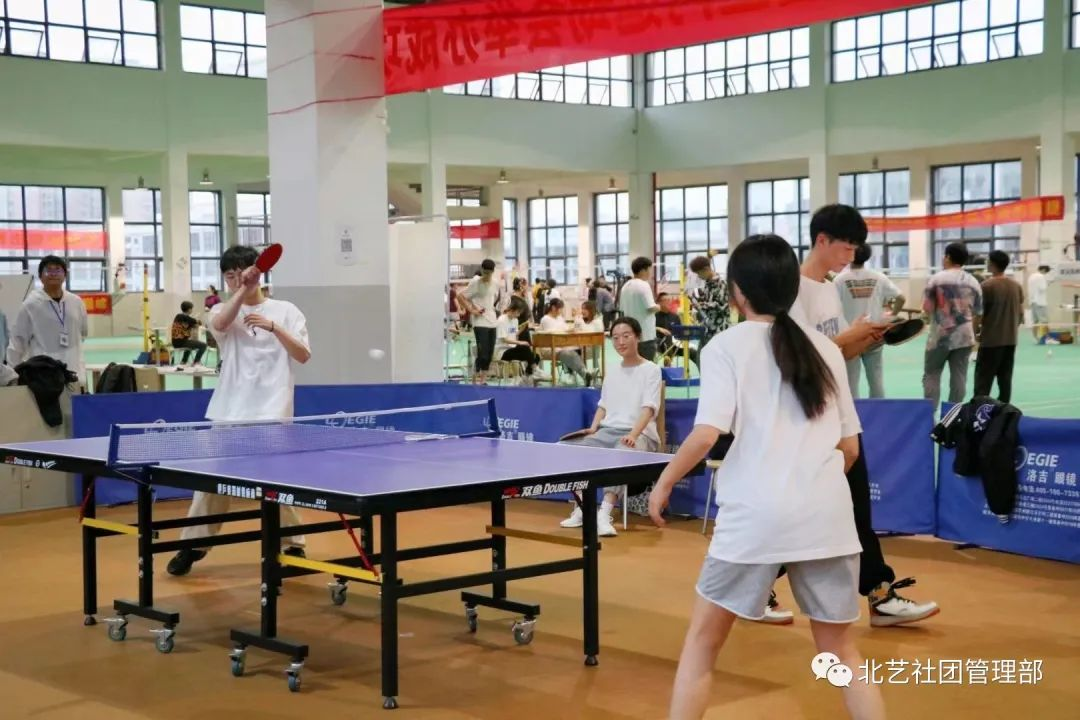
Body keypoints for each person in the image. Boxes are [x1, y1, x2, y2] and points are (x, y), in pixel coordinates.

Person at [647, 235, 886, 720]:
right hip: (828, 518)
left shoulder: (724, 347)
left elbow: (707, 433)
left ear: (737, 292)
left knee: (702, 645)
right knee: (842, 653)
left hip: (754, 517)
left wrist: (664, 482)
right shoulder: (826, 349)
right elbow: (850, 449)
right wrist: (808, 485)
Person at [786, 204, 938, 628]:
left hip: (840, 414)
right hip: (809, 419)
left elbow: (840, 354)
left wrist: (868, 338)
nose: (851, 255)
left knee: (855, 509)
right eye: (846, 247)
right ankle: (753, 586)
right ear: (821, 241)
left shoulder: (829, 290)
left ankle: (879, 595)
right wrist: (848, 337)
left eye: (855, 248)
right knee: (799, 512)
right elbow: (801, 359)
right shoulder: (792, 293)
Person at [166, 246, 312, 576]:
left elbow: (303, 355)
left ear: (257, 271)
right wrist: (243, 290)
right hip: (229, 411)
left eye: (240, 273)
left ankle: (293, 546)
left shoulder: (287, 310)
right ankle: (193, 545)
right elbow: (220, 323)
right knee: (210, 483)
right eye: (228, 276)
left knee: (276, 484)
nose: (234, 280)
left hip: (273, 412)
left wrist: (274, 327)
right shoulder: (221, 310)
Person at [560, 316, 662, 537]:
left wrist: (633, 434)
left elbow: (649, 408)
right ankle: (583, 507)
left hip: (640, 434)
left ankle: (604, 513)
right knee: (564, 449)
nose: (620, 342)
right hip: (607, 432)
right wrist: (593, 428)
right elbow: (603, 405)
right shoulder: (612, 370)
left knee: (622, 452)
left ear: (638, 337)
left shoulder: (651, 370)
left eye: (626, 336)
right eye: (615, 338)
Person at [833, 245, 905, 399]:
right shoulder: (879, 277)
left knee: (851, 384)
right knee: (876, 381)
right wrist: (893, 315)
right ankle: (879, 411)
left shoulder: (839, 279)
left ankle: (854, 412)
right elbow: (901, 298)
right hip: (874, 335)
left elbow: (833, 307)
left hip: (850, 337)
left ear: (851, 255)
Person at [6, 255, 88, 379]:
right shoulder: (31, 305)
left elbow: (83, 332)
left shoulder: (76, 302)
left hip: (74, 371)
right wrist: (14, 375)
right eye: (48, 270)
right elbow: (17, 341)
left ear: (65, 275)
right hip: (43, 377)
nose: (53, 274)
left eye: (58, 270)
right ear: (40, 276)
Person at [923, 243, 983, 406]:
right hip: (965, 336)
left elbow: (927, 308)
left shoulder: (936, 279)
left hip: (940, 336)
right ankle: (953, 413)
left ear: (948, 257)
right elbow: (978, 311)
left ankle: (930, 413)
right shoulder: (973, 282)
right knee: (959, 376)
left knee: (932, 374)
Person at [974, 251, 1024, 403]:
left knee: (983, 382)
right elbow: (1021, 314)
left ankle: (979, 411)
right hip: (1010, 341)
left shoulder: (986, 286)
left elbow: (979, 314)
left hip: (991, 341)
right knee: (1005, 380)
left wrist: (975, 332)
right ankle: (1004, 410)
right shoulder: (1016, 286)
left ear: (992, 264)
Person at [457, 259, 500, 385]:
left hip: (492, 321)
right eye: (485, 273)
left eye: (489, 273)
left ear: (493, 272)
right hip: (480, 322)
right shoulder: (475, 283)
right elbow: (460, 296)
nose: (486, 276)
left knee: (490, 353)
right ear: (482, 270)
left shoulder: (495, 283)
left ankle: (483, 380)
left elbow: (493, 299)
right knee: (483, 353)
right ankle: (475, 379)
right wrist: (471, 310)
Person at [539, 298, 592, 385]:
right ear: (553, 308)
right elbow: (551, 333)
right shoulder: (545, 319)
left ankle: (575, 374)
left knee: (577, 348)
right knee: (567, 352)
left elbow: (565, 328)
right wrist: (565, 331)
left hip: (563, 345)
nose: (561, 311)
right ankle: (583, 373)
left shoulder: (560, 318)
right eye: (560, 309)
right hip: (550, 347)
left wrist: (571, 329)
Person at [619, 256, 660, 360]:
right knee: (647, 366)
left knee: (632, 366)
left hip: (630, 337)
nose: (650, 273)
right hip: (645, 336)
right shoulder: (644, 285)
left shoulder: (625, 287)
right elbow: (651, 307)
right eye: (649, 270)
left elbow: (622, 309)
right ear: (642, 270)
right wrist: (659, 307)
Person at [688, 255, 731, 348]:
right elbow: (708, 301)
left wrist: (700, 305)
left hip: (719, 330)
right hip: (707, 329)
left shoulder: (721, 283)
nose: (699, 276)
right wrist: (697, 300)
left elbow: (721, 305)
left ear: (706, 269)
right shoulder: (707, 284)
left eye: (699, 273)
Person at [495, 296, 539, 385]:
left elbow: (514, 335)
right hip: (502, 351)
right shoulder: (501, 320)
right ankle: (534, 370)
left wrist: (522, 329)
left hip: (512, 349)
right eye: (518, 313)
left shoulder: (515, 320)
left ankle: (527, 376)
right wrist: (520, 342)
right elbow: (505, 339)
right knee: (525, 349)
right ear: (511, 310)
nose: (519, 315)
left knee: (536, 356)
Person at [170, 301, 207, 366]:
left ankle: (183, 361)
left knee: (191, 344)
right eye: (192, 309)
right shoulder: (185, 317)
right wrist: (198, 322)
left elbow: (193, 325)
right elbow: (197, 322)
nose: (192, 310)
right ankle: (196, 362)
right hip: (181, 342)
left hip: (176, 342)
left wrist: (195, 324)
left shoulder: (178, 317)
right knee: (203, 345)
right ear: (189, 309)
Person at [1026, 264, 1050, 342]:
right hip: (1040, 302)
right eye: (1046, 272)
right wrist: (1048, 283)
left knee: (1035, 321)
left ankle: (1036, 338)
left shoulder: (1031, 276)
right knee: (1044, 321)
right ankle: (1047, 338)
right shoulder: (1041, 276)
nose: (1045, 274)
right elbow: (1043, 288)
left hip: (1032, 301)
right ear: (1043, 270)